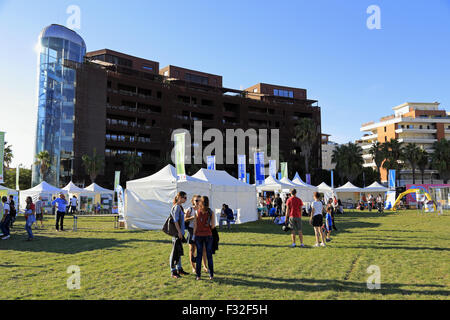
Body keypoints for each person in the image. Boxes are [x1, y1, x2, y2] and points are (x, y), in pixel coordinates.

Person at [194, 196, 215, 281]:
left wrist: (194, 234)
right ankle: (211, 275)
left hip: (199, 235)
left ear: (200, 202)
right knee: (209, 255)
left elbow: (195, 225)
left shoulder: (196, 212)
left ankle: (198, 275)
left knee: (199, 255)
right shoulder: (211, 212)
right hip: (208, 235)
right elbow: (213, 226)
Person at [184, 195, 207, 274]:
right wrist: (193, 217)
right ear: (193, 201)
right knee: (192, 249)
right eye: (196, 200)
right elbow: (185, 219)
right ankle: (193, 267)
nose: (198, 202)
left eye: (199, 200)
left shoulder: (202, 209)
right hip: (191, 230)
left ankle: (205, 266)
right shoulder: (190, 209)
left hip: (201, 231)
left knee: (203, 249)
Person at [169, 191, 189, 279]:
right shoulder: (177, 207)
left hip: (179, 233)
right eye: (185, 197)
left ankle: (179, 268)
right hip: (177, 233)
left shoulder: (179, 206)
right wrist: (179, 232)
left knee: (178, 251)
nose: (186, 199)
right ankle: (173, 271)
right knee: (174, 253)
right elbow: (175, 221)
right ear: (180, 197)